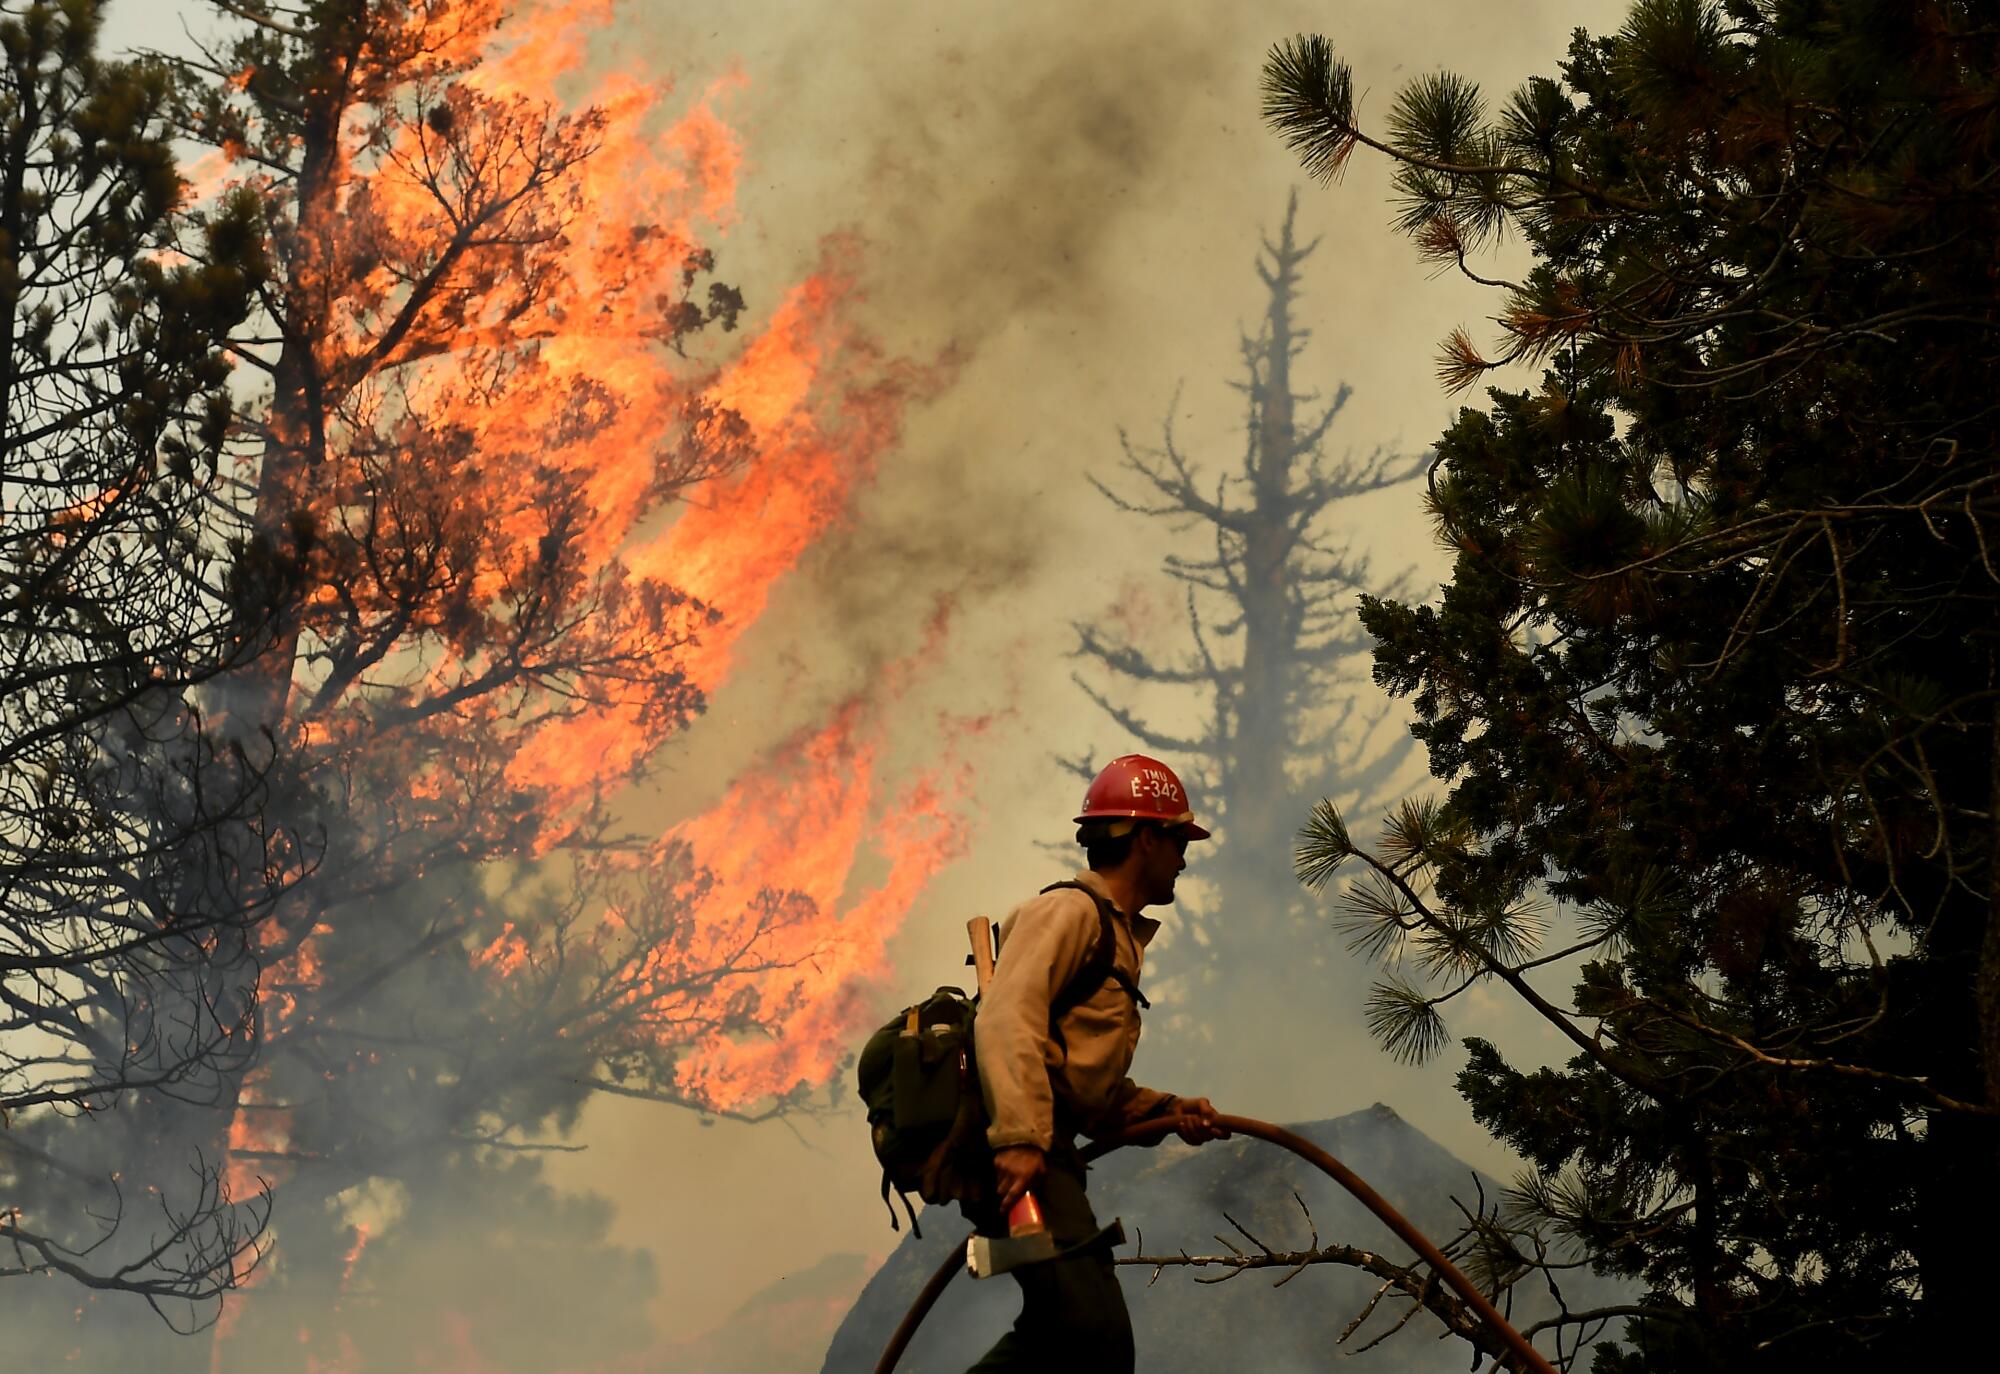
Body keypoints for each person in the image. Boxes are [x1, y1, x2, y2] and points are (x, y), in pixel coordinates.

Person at [968, 753, 1230, 1372]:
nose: (1184, 857)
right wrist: (1020, 1139)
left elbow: (1080, 1085)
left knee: (1064, 1337)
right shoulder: (1068, 914)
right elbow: (1005, 1021)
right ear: (1144, 839)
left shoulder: (1113, 934)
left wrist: (1168, 1112)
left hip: (1041, 1150)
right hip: (1024, 1160)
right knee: (1094, 1338)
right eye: (1176, 840)